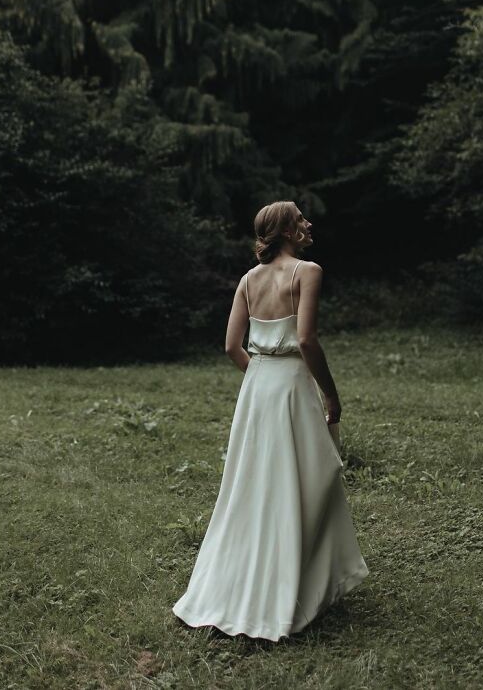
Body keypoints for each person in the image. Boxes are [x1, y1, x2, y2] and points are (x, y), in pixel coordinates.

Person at [171, 201, 369, 642]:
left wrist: (261, 377)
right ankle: (299, 586)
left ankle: (252, 579)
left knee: (254, 483)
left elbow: (230, 346)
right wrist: (330, 394)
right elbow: (306, 339)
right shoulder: (308, 271)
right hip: (294, 387)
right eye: (300, 219)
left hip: (257, 389)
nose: (308, 224)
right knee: (309, 477)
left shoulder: (247, 279)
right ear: (285, 230)